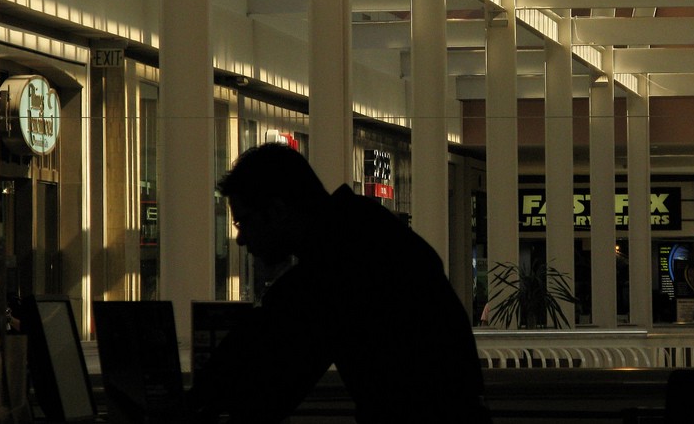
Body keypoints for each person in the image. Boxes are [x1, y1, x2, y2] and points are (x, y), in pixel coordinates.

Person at [190, 143, 492, 423]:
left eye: (243, 222)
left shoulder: (340, 261)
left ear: (278, 211)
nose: (241, 239)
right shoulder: (364, 233)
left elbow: (277, 356)